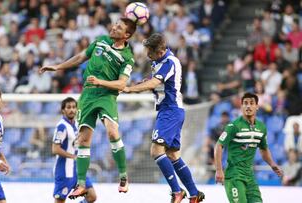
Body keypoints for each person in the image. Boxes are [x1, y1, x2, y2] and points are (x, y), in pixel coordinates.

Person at [40, 17, 137, 198]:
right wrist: (58, 67)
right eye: (115, 24)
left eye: (119, 27)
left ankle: (123, 176)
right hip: (87, 95)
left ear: (127, 35)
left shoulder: (127, 57)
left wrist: (101, 82)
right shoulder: (101, 40)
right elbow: (80, 57)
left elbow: (122, 84)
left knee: (112, 132)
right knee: (83, 141)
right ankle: (82, 184)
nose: (114, 27)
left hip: (106, 95)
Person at [123, 33, 205, 203]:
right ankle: (194, 193)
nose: (147, 55)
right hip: (169, 110)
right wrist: (145, 83)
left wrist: (131, 89)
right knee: (173, 155)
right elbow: (157, 83)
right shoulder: (157, 62)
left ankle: (177, 191)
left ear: (159, 51)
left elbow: (155, 83)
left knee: (156, 150)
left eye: (149, 52)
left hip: (170, 110)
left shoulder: (169, 62)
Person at [214, 92, 284, 203]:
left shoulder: (261, 127)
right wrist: (219, 170)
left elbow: (263, 149)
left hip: (250, 176)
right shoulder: (234, 126)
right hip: (234, 176)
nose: (248, 106)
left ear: (257, 106)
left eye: (251, 103)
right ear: (241, 106)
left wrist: (272, 164)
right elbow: (219, 145)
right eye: (245, 103)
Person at [52, 97, 97, 203]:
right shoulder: (62, 126)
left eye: (73, 107)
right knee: (60, 200)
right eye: (68, 107)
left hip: (78, 170)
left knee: (91, 196)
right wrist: (73, 157)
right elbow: (55, 149)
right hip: (64, 171)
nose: (71, 110)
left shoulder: (77, 125)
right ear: (63, 110)